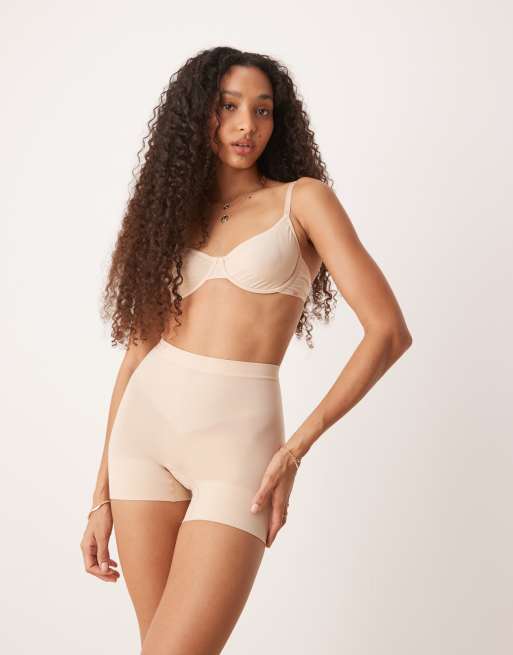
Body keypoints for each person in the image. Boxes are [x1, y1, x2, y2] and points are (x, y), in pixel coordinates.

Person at [80, 46, 412, 654]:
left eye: (262, 110)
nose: (246, 125)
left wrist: (295, 449)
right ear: (198, 115)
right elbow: (136, 355)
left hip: (239, 453)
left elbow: (388, 331)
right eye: (228, 107)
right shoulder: (171, 215)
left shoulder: (303, 201)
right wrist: (98, 495)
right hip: (141, 443)